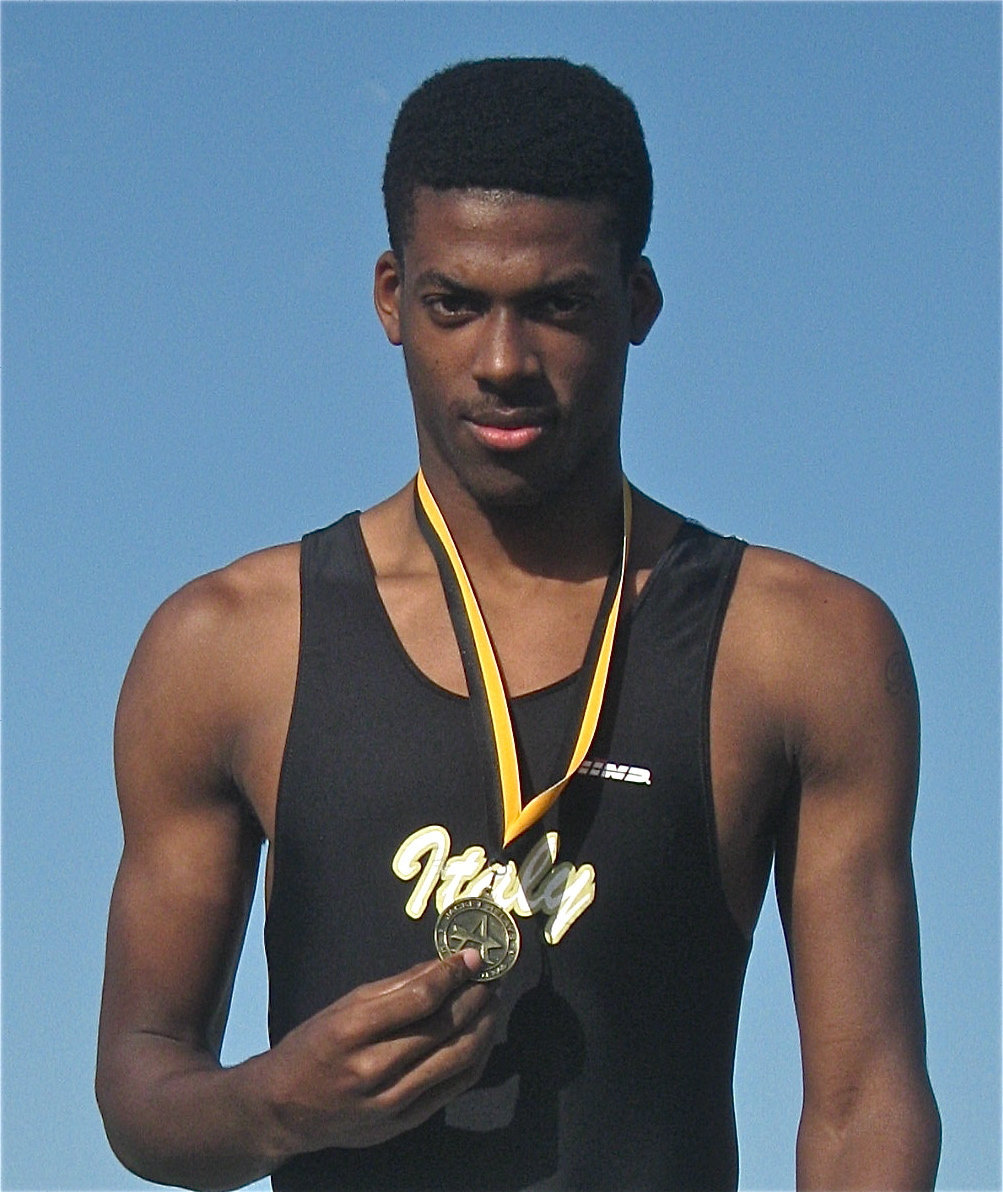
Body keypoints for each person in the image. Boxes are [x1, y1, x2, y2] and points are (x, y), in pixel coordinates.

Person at [96, 57, 940, 1192]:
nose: (502, 362)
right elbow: (142, 1084)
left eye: (557, 306)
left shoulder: (801, 648)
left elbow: (863, 1105)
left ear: (635, 302)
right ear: (391, 297)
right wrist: (274, 1104)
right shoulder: (227, 647)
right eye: (456, 304)